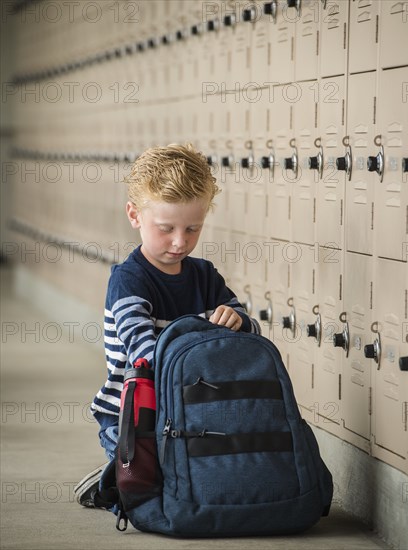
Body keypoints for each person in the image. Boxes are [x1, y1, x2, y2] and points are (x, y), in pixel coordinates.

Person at [74, 143, 260, 507]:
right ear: (134, 215)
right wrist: (205, 327)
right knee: (151, 492)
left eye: (193, 228)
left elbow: (249, 342)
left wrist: (238, 321)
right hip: (133, 417)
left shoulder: (204, 276)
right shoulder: (128, 281)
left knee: (210, 481)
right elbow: (147, 353)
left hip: (192, 409)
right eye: (166, 228)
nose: (180, 242)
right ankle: (110, 481)